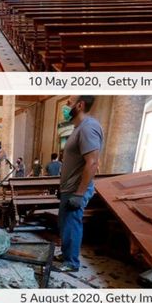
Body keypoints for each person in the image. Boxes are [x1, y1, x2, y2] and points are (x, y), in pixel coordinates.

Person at [55, 95, 103, 272]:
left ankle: (71, 262)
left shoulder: (88, 128)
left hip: (77, 189)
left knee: (72, 224)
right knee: (65, 224)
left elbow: (92, 163)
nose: (66, 106)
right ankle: (67, 254)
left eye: (69, 102)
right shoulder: (78, 128)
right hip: (69, 187)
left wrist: (79, 194)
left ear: (80, 105)